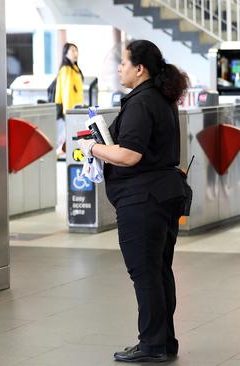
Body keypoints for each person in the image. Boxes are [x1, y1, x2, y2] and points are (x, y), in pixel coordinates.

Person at [78, 39, 191, 363]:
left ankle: (152, 344)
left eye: (123, 63)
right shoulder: (161, 98)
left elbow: (129, 154)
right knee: (158, 270)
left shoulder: (142, 103)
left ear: (139, 68)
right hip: (163, 193)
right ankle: (164, 341)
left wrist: (93, 149)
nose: (119, 68)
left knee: (145, 273)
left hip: (143, 199)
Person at [55, 42, 84, 156]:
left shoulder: (75, 68)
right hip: (70, 110)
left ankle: (64, 155)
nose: (75, 53)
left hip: (75, 109)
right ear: (65, 53)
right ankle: (57, 155)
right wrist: (69, 111)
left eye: (76, 50)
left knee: (71, 136)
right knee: (68, 137)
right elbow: (66, 92)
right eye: (72, 50)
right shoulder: (66, 69)